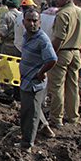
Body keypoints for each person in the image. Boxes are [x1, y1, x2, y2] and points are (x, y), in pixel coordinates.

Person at [48, 0, 81, 127]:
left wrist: (50, 55)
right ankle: (73, 117)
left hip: (62, 52)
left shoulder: (63, 14)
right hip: (76, 52)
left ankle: (56, 118)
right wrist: (80, 51)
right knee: (73, 86)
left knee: (57, 87)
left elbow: (59, 38)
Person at [18, 10, 57, 151]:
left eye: (35, 20)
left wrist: (41, 72)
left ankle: (27, 145)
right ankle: (39, 132)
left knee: (31, 116)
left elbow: (52, 59)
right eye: (29, 20)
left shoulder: (42, 39)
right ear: (24, 22)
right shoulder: (27, 36)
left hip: (34, 83)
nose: (32, 23)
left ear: (40, 22)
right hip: (25, 80)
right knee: (28, 111)